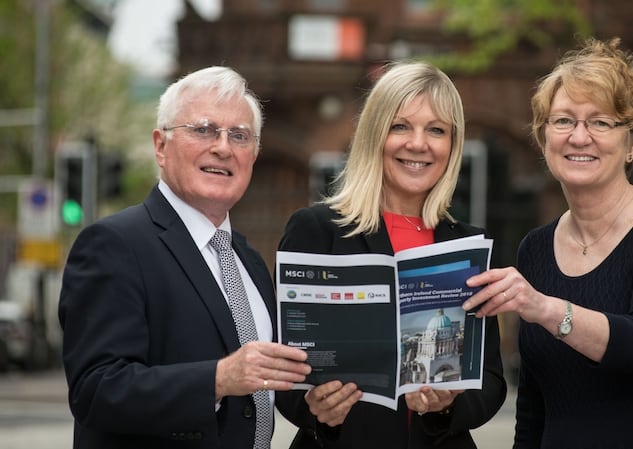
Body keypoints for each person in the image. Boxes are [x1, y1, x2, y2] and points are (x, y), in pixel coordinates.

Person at [462, 37, 633, 448]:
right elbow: (533, 404)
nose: (579, 137)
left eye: (600, 122)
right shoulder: (536, 248)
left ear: (632, 143)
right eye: (563, 121)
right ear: (545, 138)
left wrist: (543, 308)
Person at [58, 66, 312, 449]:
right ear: (161, 146)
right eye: (203, 130)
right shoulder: (114, 244)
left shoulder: (251, 262)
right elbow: (96, 390)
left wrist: (318, 403)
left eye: (239, 136)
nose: (223, 147)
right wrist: (219, 379)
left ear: (254, 156)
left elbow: (267, 385)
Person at [275, 61, 507, 448]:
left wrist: (447, 408)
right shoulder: (317, 230)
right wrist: (314, 408)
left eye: (436, 130)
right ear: (374, 134)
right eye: (400, 126)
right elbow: (283, 369)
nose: (418, 144)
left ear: (452, 144)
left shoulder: (468, 244)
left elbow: (492, 380)